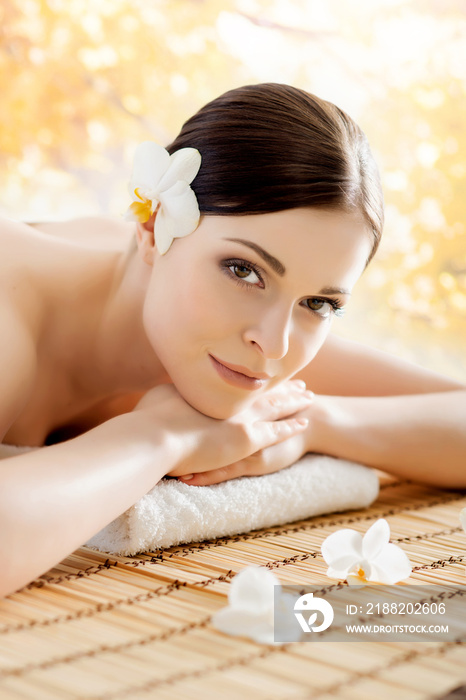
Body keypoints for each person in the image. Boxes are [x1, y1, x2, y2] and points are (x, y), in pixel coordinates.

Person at [0, 83, 464, 598]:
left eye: (320, 303)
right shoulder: (13, 313)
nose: (275, 344)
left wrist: (303, 424)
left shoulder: (229, 326)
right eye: (244, 270)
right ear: (154, 226)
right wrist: (157, 436)